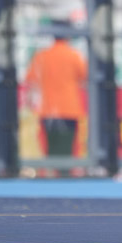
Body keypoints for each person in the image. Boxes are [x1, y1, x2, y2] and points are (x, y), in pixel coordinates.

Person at [25, 21, 88, 162]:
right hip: (69, 109)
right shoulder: (74, 56)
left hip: (47, 110)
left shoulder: (42, 56)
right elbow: (86, 79)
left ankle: (51, 177)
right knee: (66, 149)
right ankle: (65, 177)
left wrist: (29, 102)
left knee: (51, 149)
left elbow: (32, 82)